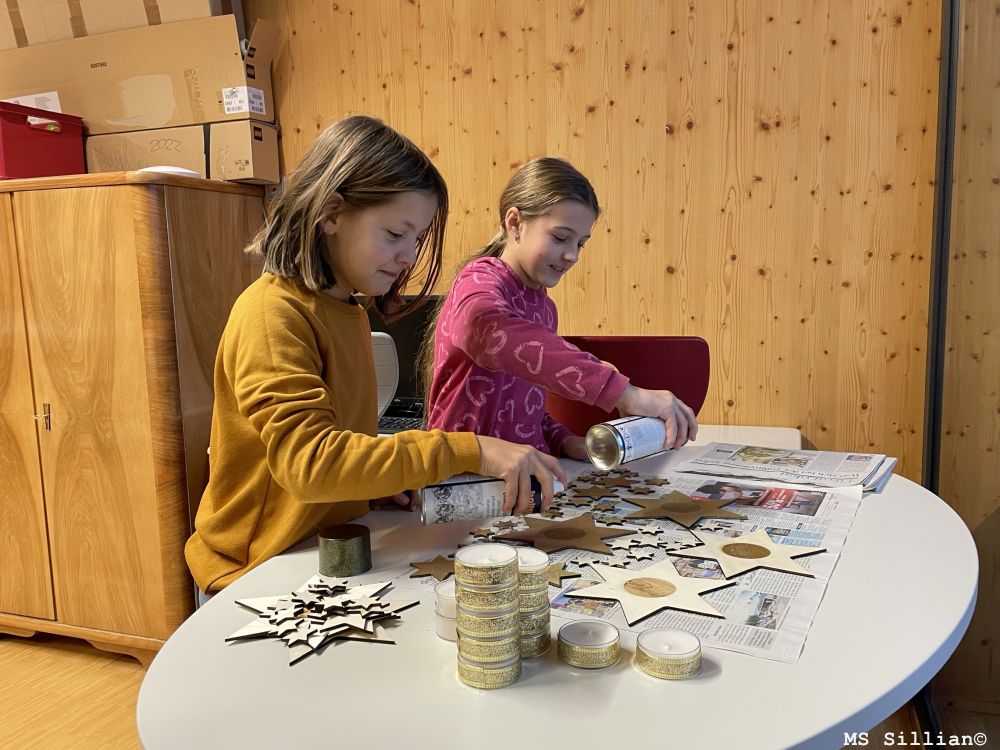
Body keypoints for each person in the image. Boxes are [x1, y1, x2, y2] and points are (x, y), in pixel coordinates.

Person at [185, 116, 565, 595]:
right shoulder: (271, 313)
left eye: (416, 239)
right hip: (253, 569)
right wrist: (471, 448)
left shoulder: (349, 310)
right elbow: (310, 464)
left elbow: (336, 456)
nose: (408, 256)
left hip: (323, 553)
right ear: (331, 213)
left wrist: (370, 485)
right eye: (394, 233)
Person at [421, 157, 698, 460]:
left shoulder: (545, 309)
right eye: (560, 238)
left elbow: (526, 407)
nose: (572, 256)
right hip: (463, 474)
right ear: (514, 223)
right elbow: (489, 332)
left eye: (580, 243)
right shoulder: (477, 281)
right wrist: (624, 393)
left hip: (526, 472)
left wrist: (563, 440)